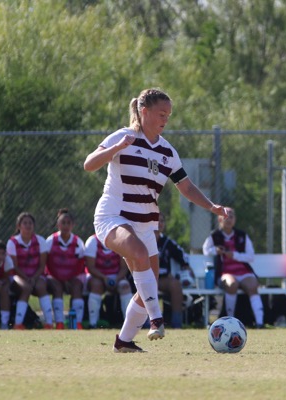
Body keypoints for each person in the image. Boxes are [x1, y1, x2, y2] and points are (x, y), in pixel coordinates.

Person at [84, 88, 228, 353]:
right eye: (161, 114)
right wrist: (116, 148)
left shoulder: (167, 152)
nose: (165, 119)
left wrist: (211, 206)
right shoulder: (124, 136)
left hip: (145, 224)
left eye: (169, 115)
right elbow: (89, 164)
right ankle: (156, 318)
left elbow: (185, 187)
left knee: (145, 286)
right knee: (138, 255)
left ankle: (124, 341)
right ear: (144, 112)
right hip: (112, 216)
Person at [202, 208, 264, 328]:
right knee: (232, 285)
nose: (228, 219)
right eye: (225, 216)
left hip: (244, 272)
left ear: (235, 219)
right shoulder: (215, 235)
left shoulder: (242, 235)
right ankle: (230, 322)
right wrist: (216, 250)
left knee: (253, 285)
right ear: (220, 219)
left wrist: (234, 255)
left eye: (231, 216)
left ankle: (260, 323)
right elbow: (205, 250)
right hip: (226, 272)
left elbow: (250, 256)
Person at [7, 212, 54, 330]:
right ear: (18, 226)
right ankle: (18, 324)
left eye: (30, 223)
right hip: (19, 276)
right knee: (26, 288)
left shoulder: (40, 240)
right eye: (25, 223)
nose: (28, 226)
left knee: (41, 286)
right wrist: (27, 279)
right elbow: (14, 267)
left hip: (36, 275)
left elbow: (42, 265)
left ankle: (49, 323)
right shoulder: (12, 242)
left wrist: (33, 278)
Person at [45, 208, 86, 330]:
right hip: (54, 277)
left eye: (68, 223)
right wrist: (59, 279)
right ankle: (59, 323)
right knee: (57, 288)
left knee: (77, 286)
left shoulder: (78, 242)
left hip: (72, 278)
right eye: (63, 223)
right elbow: (46, 262)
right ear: (58, 224)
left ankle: (77, 323)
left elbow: (80, 265)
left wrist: (69, 279)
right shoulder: (50, 241)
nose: (66, 225)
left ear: (73, 225)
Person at [84, 234, 133, 329]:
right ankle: (93, 323)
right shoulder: (92, 241)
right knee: (96, 285)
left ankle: (129, 324)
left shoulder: (120, 241)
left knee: (125, 285)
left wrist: (117, 279)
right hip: (97, 276)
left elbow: (124, 268)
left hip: (116, 277)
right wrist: (104, 278)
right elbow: (91, 268)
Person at [156, 213, 195, 328]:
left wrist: (186, 266)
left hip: (162, 280)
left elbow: (182, 255)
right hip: (145, 278)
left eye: (162, 221)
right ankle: (146, 323)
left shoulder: (167, 242)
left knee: (176, 285)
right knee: (146, 286)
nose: (160, 223)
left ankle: (176, 323)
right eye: (156, 220)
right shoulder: (142, 239)